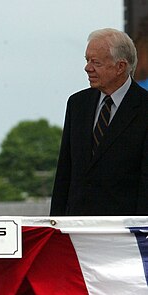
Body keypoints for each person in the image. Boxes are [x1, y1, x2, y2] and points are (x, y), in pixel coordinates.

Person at [50, 28, 148, 216]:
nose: (87, 68)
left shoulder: (144, 108)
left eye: (95, 62)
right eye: (87, 60)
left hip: (124, 232)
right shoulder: (77, 104)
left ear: (120, 66)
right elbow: (65, 172)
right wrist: (56, 226)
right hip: (76, 228)